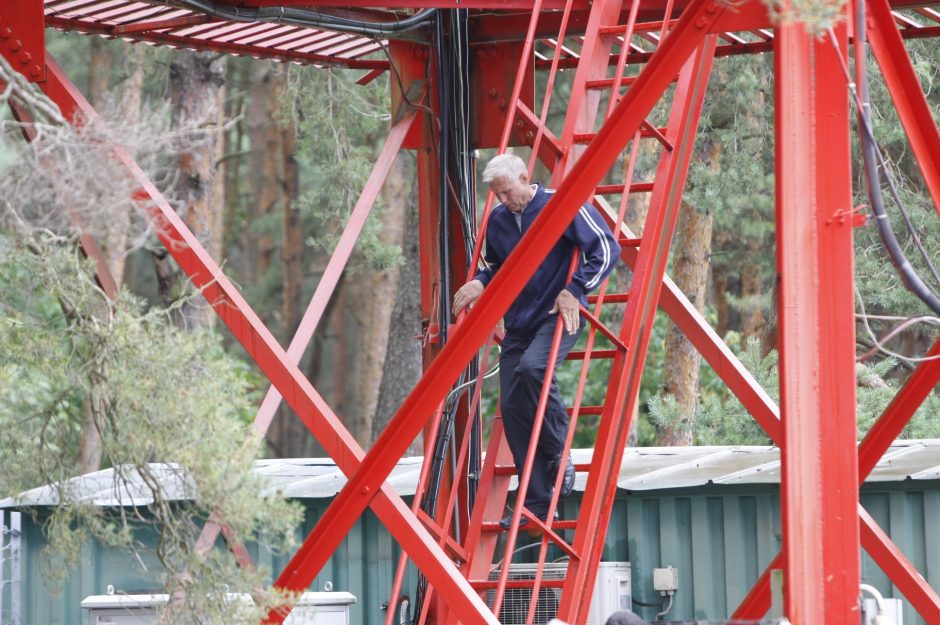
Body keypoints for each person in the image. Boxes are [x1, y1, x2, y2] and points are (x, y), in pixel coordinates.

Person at [453, 154, 620, 529]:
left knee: (533, 371)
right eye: (497, 195)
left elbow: (607, 248)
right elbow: (496, 264)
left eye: (507, 192)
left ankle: (559, 457)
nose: (503, 201)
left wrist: (574, 290)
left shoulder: (562, 205)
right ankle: (539, 501)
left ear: (525, 178)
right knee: (512, 408)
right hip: (519, 322)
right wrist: (481, 280)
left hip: (558, 316)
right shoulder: (498, 221)